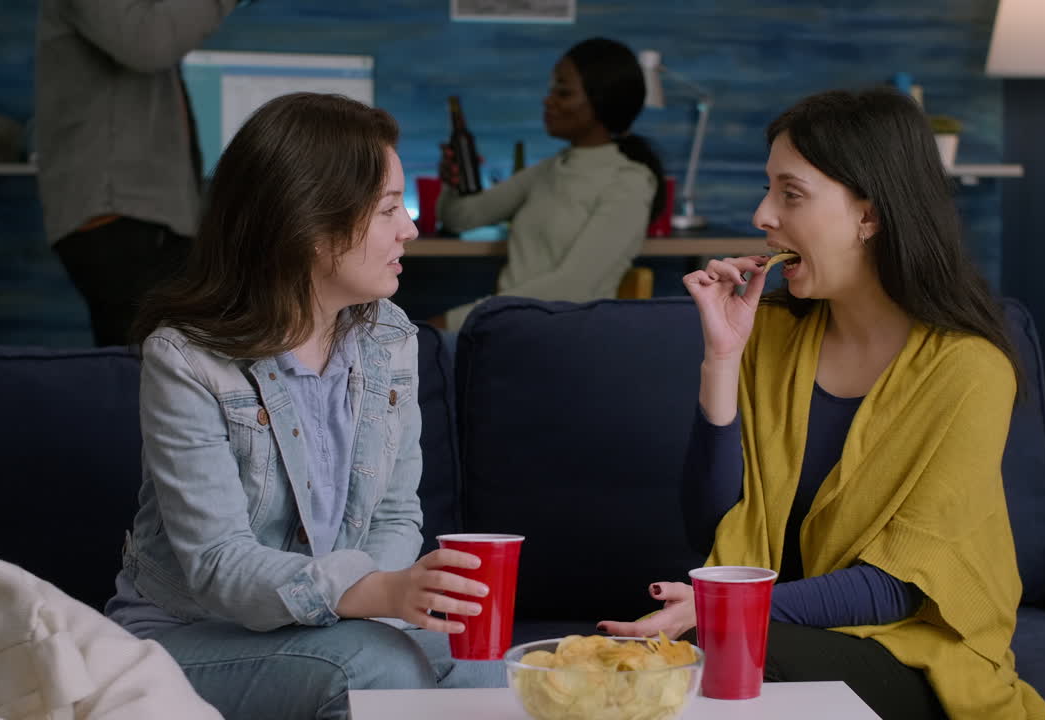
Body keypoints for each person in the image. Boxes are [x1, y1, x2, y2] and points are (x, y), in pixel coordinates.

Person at [599, 88, 1045, 720]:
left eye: (791, 193)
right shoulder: (773, 337)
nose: (762, 215)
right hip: (765, 633)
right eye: (768, 190)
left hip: (909, 650)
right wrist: (722, 362)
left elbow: (899, 584)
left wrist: (728, 609)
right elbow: (713, 528)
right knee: (650, 664)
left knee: (725, 660)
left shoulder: (970, 369)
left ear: (868, 215)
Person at [104, 93, 506, 719]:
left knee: (485, 664)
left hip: (333, 627)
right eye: (388, 209)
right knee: (374, 666)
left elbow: (398, 515)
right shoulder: (185, 359)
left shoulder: (389, 337)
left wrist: (383, 600)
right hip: (188, 635)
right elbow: (217, 563)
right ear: (311, 228)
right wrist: (373, 594)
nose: (412, 227)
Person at [34, 0, 237, 346]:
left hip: (139, 218)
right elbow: (148, 42)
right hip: (120, 216)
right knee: (145, 376)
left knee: (155, 373)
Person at [430, 36, 665, 331]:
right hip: (510, 329)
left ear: (601, 101)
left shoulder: (629, 182)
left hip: (564, 341)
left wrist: (452, 322)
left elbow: (574, 286)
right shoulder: (548, 171)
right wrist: (452, 183)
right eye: (552, 89)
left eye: (563, 92)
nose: (548, 99)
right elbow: (461, 218)